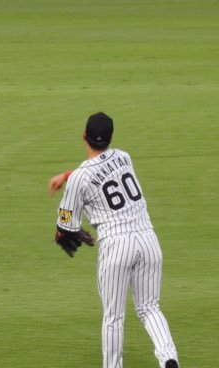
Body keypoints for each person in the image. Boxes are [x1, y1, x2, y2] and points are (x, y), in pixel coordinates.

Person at [49, 112, 179, 368]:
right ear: (111, 138)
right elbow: (103, 172)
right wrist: (67, 176)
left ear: (83, 135)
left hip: (117, 246)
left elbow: (66, 221)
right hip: (148, 241)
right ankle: (169, 359)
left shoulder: (80, 178)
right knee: (149, 307)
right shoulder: (124, 157)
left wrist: (63, 231)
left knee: (114, 318)